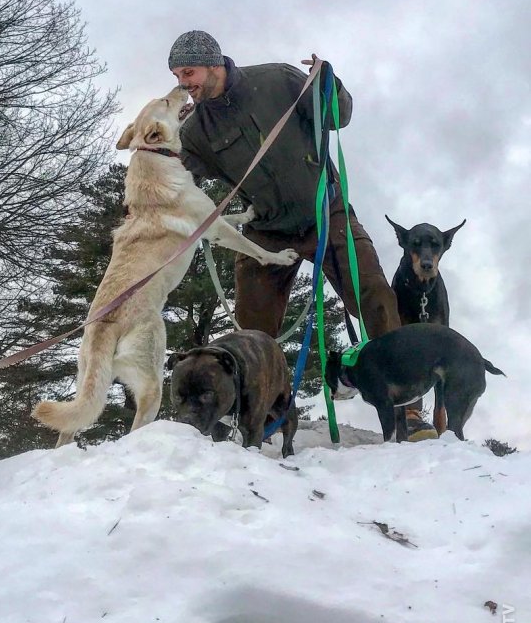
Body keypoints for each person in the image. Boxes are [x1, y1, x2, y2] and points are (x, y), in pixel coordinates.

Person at [168, 29, 437, 442]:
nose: (183, 83)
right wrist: (155, 157)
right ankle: (258, 417)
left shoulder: (277, 79)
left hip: (325, 214)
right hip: (265, 231)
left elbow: (337, 115)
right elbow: (178, 180)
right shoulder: (195, 129)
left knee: (375, 298)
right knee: (251, 329)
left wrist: (331, 83)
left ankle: (409, 411)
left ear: (213, 62)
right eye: (177, 75)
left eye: (188, 72)